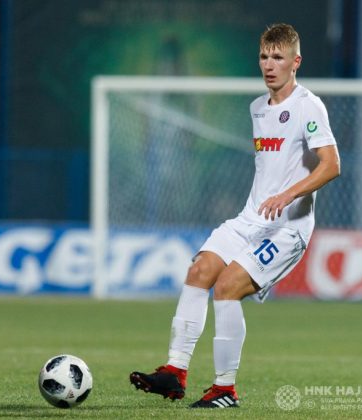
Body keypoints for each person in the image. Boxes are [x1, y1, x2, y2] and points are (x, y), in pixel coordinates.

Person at [129, 23, 341, 409]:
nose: (269, 65)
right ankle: (174, 372)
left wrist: (288, 193)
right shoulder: (257, 108)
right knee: (200, 271)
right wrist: (266, 200)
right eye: (264, 56)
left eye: (278, 57)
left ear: (296, 62)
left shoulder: (309, 106)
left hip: (288, 228)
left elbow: (331, 166)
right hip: (251, 220)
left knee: (227, 286)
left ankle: (225, 389)